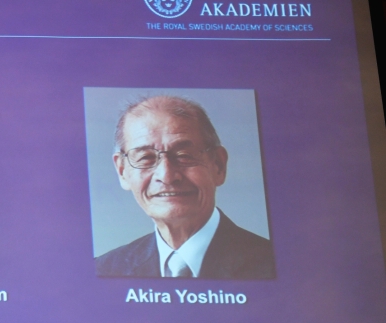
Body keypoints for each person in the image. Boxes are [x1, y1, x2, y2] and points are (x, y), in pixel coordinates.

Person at [95, 95, 274, 279]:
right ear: (122, 171)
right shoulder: (104, 270)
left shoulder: (273, 265)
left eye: (184, 155)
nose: (167, 176)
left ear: (218, 166)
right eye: (146, 158)